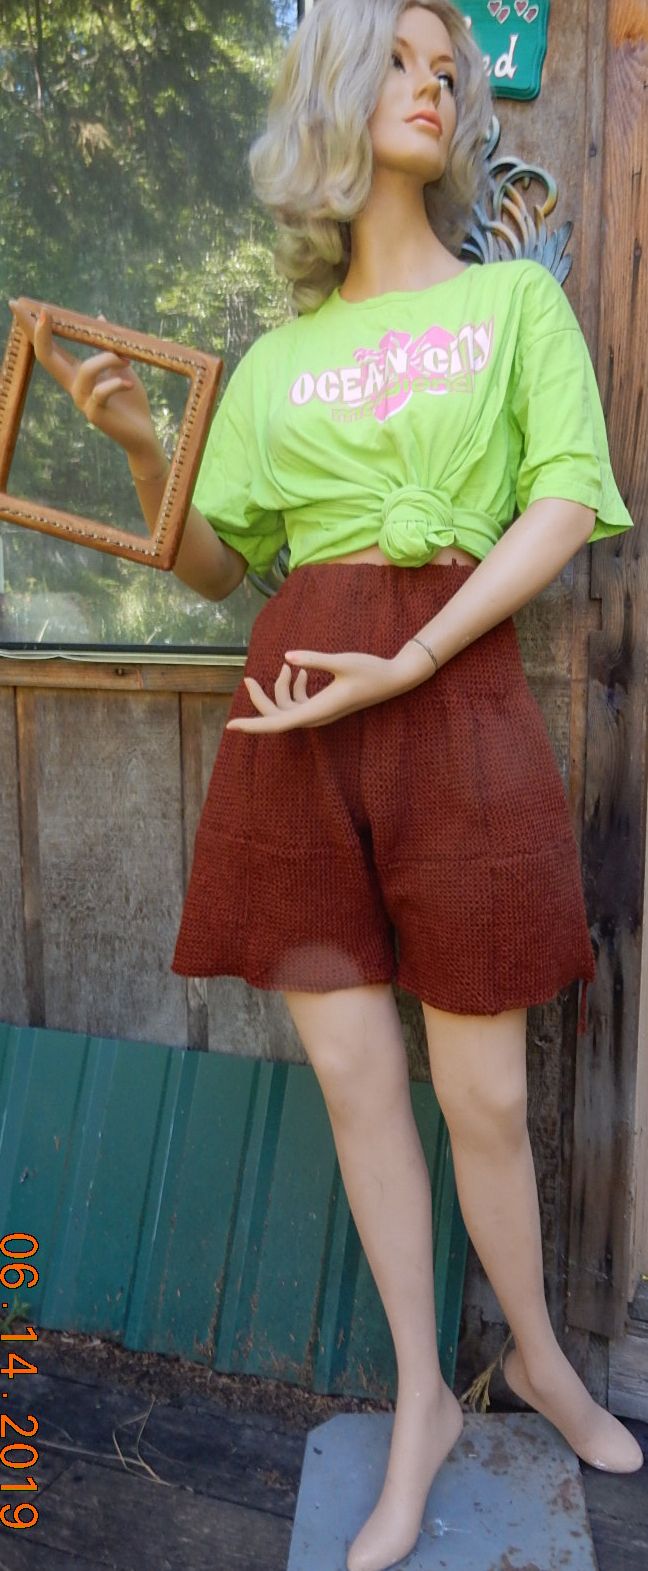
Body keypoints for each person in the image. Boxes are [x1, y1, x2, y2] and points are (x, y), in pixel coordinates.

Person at [12, 3, 644, 1569]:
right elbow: (224, 565)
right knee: (362, 1087)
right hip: (297, 711)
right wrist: (145, 444)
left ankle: (539, 1359)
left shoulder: (512, 306)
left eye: (447, 70)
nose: (432, 87)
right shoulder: (276, 362)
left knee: (483, 1092)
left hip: (456, 698)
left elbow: (569, 496)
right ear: (337, 94)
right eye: (399, 64)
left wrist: (412, 656)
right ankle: (422, 1396)